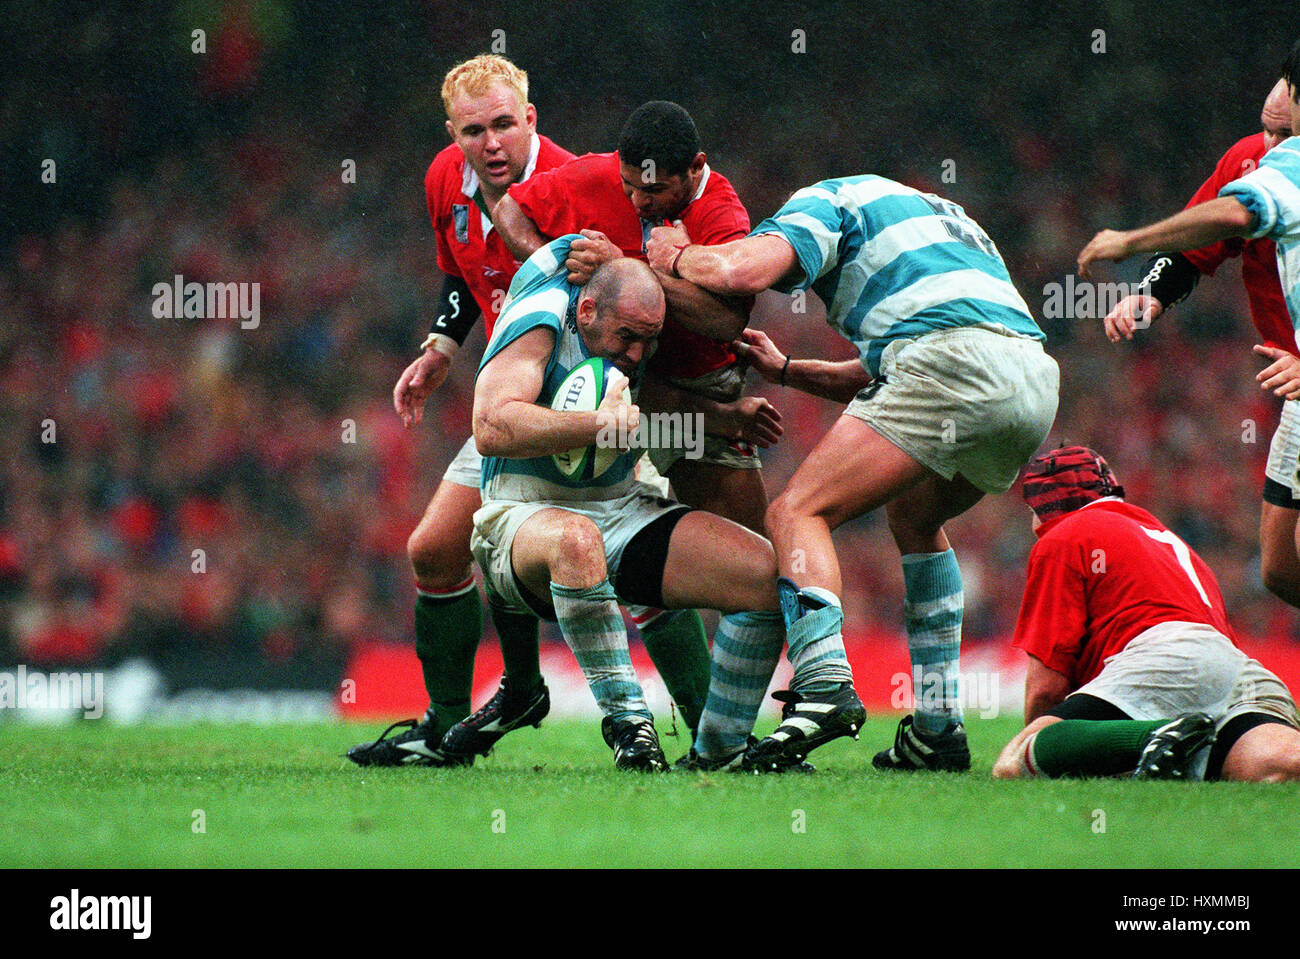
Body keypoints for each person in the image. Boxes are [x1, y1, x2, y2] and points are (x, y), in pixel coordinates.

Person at [347, 57, 741, 768]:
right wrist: (442, 344)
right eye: (474, 130)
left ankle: (710, 729)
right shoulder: (445, 179)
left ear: (531, 119)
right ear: (453, 135)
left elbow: (640, 294)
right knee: (436, 549)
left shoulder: (588, 182)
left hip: (609, 395)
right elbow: (465, 268)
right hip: (519, 397)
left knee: (630, 561)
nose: (491, 143)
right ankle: (455, 716)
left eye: (503, 124)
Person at [645, 175, 1060, 770]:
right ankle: (938, 729)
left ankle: (823, 687)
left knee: (794, 512)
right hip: (1032, 380)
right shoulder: (951, 219)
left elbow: (742, 272)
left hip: (951, 366)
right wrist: (786, 370)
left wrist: (677, 255)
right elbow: (887, 371)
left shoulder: (829, 199)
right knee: (916, 518)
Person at [479, 100, 795, 770]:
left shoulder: (718, 219)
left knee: (769, 574)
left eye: (652, 191)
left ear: (695, 172)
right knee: (522, 539)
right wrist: (553, 266)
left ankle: (722, 744)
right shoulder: (545, 312)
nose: (637, 198)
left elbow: (711, 333)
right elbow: (491, 426)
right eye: (629, 187)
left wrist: (717, 417)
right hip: (531, 511)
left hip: (678, 417)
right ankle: (609, 719)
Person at [1099, 78, 1300, 607]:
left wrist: (1129, 240)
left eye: (1284, 133)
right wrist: (1148, 293)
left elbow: (1232, 215)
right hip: (1295, 386)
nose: (1270, 148)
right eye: (1265, 129)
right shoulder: (1251, 162)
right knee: (1281, 568)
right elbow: (1197, 244)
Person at [991, 446, 1300, 782]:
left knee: (1014, 763)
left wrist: (1049, 748)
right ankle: (1181, 741)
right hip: (1238, 670)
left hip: (1159, 663)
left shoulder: (1064, 535)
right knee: (1278, 766)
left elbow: (1045, 690)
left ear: (1044, 507)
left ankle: (1156, 734)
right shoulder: (1170, 541)